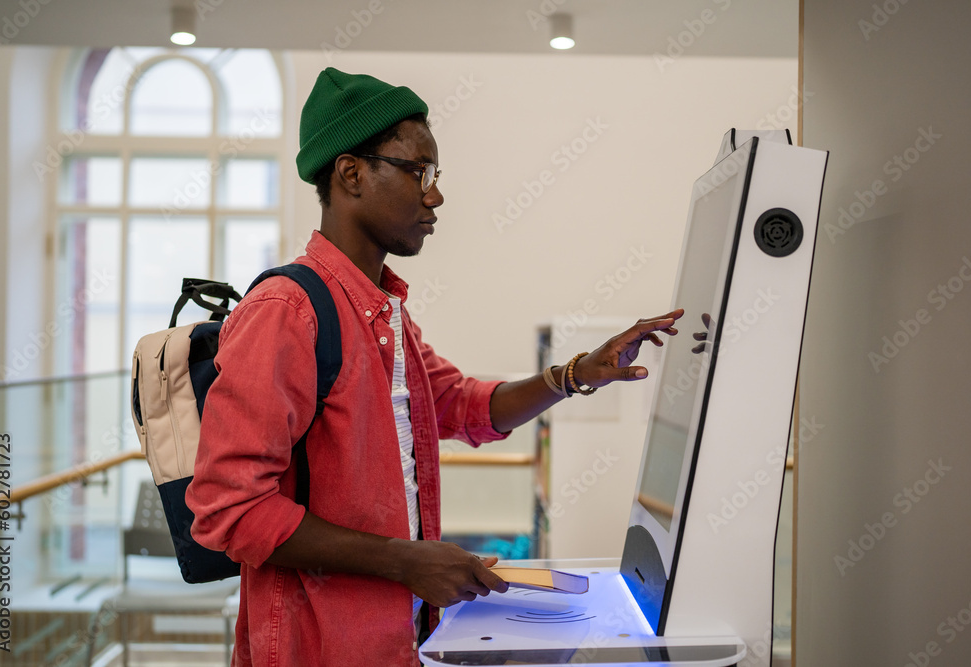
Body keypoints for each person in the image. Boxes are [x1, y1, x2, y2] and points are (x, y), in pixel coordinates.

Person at [186, 67, 683, 666]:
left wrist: (578, 374)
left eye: (435, 176)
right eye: (418, 171)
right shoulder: (287, 312)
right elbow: (230, 508)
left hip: (401, 643)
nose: (435, 195)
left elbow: (462, 405)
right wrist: (405, 561)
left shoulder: (384, 312)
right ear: (351, 173)